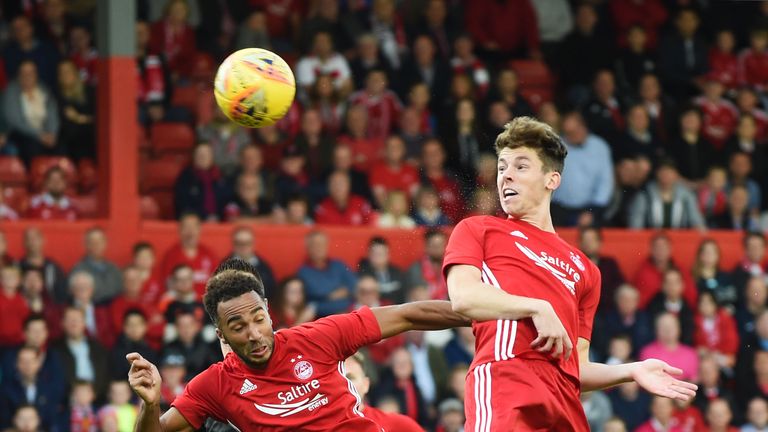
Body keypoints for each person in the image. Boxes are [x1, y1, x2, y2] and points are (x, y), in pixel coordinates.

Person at [443, 117, 697, 430]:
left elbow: (575, 366)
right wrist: (536, 307)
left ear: (552, 180)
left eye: (520, 166)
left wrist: (631, 371)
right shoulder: (478, 229)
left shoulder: (584, 269)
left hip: (565, 403)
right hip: (506, 383)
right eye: (502, 167)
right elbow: (463, 297)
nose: (506, 176)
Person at [127, 258, 469, 431]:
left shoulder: (318, 337)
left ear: (270, 314)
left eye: (258, 318)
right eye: (238, 326)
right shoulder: (214, 385)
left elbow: (408, 315)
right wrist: (152, 404)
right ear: (222, 335)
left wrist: (484, 314)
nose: (254, 333)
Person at [343, 351, 423, 431]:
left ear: (366, 385)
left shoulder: (395, 424)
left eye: (350, 377)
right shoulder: (330, 425)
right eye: (337, 378)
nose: (343, 383)